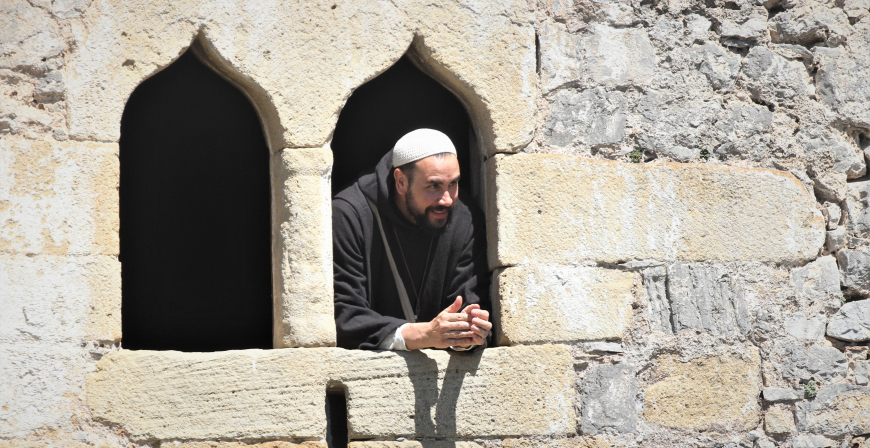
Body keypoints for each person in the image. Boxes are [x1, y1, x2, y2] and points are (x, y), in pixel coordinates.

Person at [332, 128, 492, 351]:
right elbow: (343, 315)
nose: (446, 200)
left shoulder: (465, 218)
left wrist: (467, 334)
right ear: (400, 182)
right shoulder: (349, 214)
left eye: (453, 184)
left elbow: (471, 302)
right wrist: (420, 335)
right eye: (433, 186)